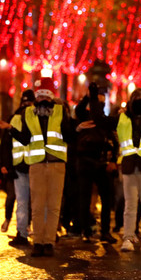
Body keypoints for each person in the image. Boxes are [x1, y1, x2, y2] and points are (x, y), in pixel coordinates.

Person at [0, 77, 88, 257]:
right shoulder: (28, 114)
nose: (42, 100)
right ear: (35, 98)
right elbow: (25, 139)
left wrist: (77, 129)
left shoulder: (60, 112)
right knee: (38, 205)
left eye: (45, 96)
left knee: (54, 205)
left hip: (56, 164)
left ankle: (49, 242)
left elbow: (67, 136)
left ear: (51, 97)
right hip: (37, 164)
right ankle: (38, 242)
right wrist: (11, 129)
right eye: (39, 96)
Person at [88, 87, 141, 251]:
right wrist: (93, 98)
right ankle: (128, 237)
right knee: (130, 205)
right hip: (130, 167)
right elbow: (99, 119)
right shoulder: (122, 118)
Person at [73, 82, 119, 244]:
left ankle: (105, 231)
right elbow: (78, 110)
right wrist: (87, 97)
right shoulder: (84, 115)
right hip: (85, 160)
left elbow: (114, 141)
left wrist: (113, 160)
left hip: (101, 161)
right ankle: (86, 230)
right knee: (84, 198)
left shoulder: (104, 121)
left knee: (107, 199)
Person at [0, 90, 36, 246]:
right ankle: (43, 233)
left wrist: (5, 165)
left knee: (21, 201)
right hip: (35, 164)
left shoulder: (13, 119)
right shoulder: (36, 118)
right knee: (37, 201)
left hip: (19, 165)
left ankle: (22, 232)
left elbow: (6, 145)